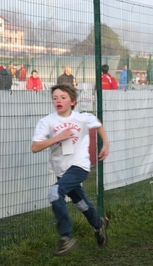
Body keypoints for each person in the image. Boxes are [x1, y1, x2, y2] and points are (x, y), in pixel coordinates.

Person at [31, 83, 110, 256]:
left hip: (79, 166)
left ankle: (66, 237)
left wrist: (106, 143)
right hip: (61, 170)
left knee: (54, 193)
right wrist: (57, 138)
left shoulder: (82, 118)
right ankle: (99, 224)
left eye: (63, 97)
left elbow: (97, 124)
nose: (58, 100)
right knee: (81, 203)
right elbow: (35, 147)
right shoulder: (47, 122)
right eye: (55, 98)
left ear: (73, 101)